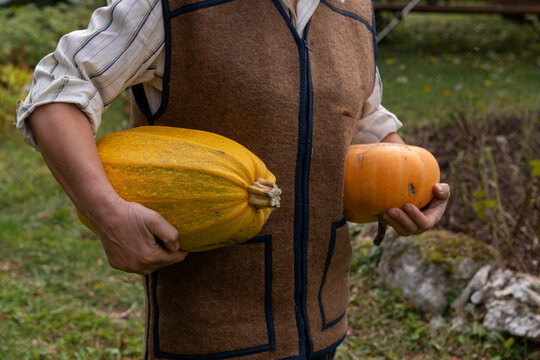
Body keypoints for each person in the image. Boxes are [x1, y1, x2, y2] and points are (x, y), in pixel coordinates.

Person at [16, 0, 450, 359]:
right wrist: (108, 213)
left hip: (324, 324)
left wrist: (409, 183)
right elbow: (57, 90)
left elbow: (363, 118)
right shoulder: (166, 5)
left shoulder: (354, 7)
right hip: (208, 336)